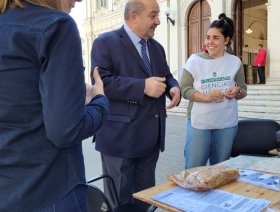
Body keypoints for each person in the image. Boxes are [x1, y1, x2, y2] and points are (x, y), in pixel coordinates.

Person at [0, 0, 108, 211]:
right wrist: (100, 101)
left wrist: (70, 99)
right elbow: (66, 130)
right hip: (49, 192)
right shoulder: (55, 25)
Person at [90, 0, 181, 209]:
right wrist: (142, 87)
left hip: (150, 140)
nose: (158, 21)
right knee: (120, 202)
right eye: (153, 15)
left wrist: (173, 88)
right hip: (120, 139)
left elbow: (166, 76)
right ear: (133, 16)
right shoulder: (105, 42)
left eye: (158, 15)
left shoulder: (156, 48)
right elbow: (102, 82)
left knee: (145, 199)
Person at [180, 13, 247, 169]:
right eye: (208, 37)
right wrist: (206, 97)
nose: (210, 42)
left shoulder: (235, 62)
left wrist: (237, 92)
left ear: (227, 40)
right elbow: (184, 89)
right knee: (194, 168)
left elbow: (243, 89)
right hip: (200, 122)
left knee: (220, 168)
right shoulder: (195, 60)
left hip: (226, 122)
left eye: (215, 38)